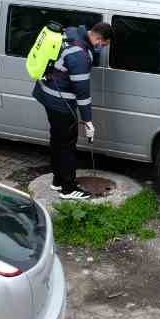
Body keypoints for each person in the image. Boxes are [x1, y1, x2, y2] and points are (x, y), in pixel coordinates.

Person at [33, 22, 114, 200]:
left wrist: (95, 51)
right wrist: (88, 121)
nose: (102, 48)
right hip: (60, 100)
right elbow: (82, 93)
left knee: (57, 139)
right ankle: (68, 189)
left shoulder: (73, 32)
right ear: (100, 39)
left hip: (46, 92)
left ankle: (57, 180)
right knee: (67, 145)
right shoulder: (79, 56)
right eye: (103, 45)